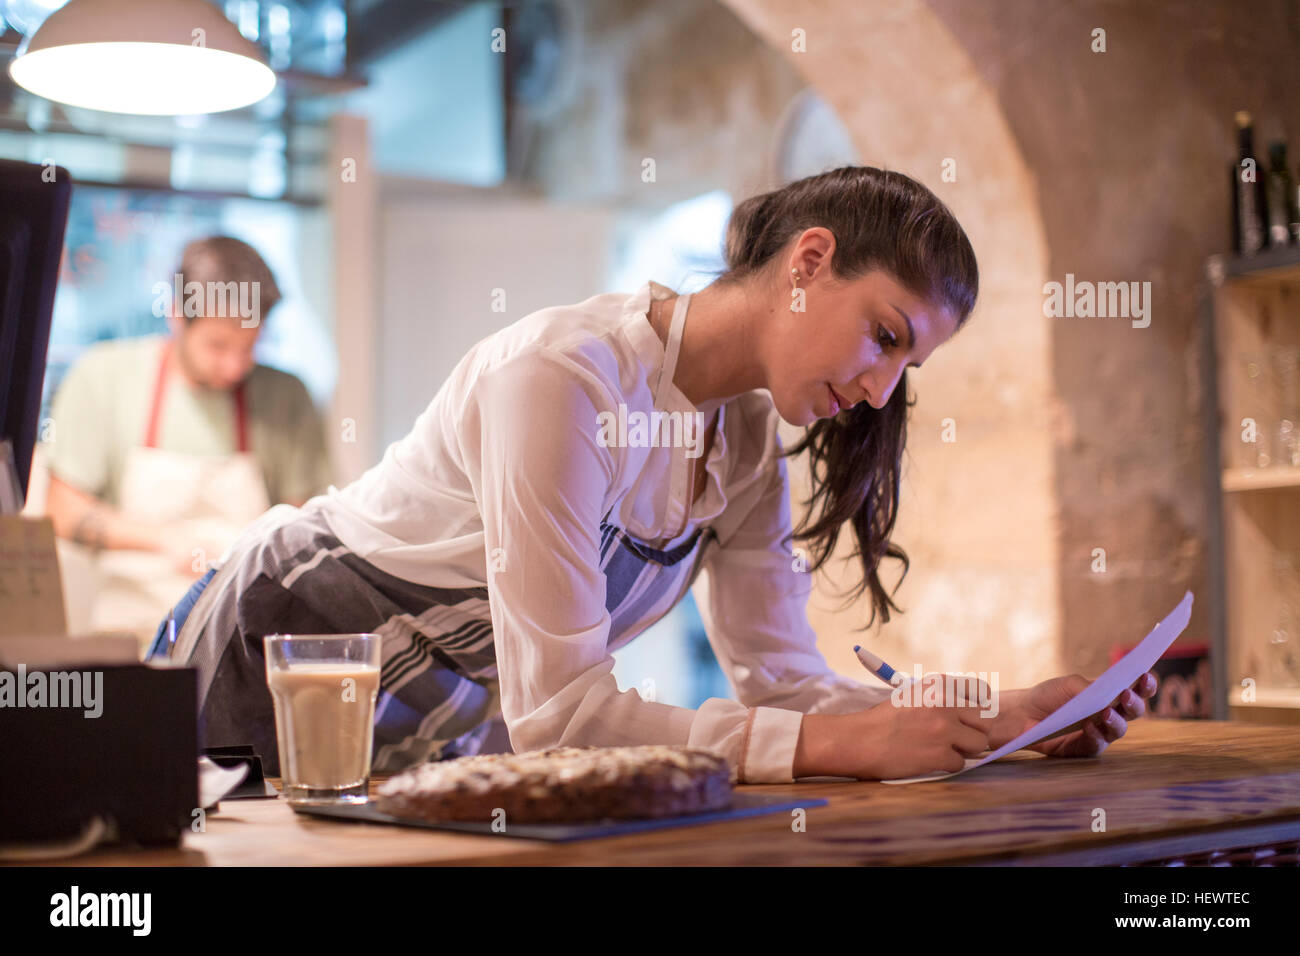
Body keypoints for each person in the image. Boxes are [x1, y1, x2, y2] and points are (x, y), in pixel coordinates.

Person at [152, 167, 1157, 782]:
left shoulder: (749, 439)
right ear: (808, 260)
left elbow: (786, 681)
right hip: (265, 650)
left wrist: (1005, 713)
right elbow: (563, 720)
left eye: (909, 366)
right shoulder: (562, 376)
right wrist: (851, 747)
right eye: (884, 334)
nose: (884, 387)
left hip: (419, 722)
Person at [43, 235, 332, 652]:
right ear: (177, 315)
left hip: (243, 642)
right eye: (217, 346)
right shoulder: (102, 378)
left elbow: (307, 524)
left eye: (249, 347)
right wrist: (166, 541)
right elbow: (63, 511)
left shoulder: (287, 397)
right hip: (133, 641)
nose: (235, 366)